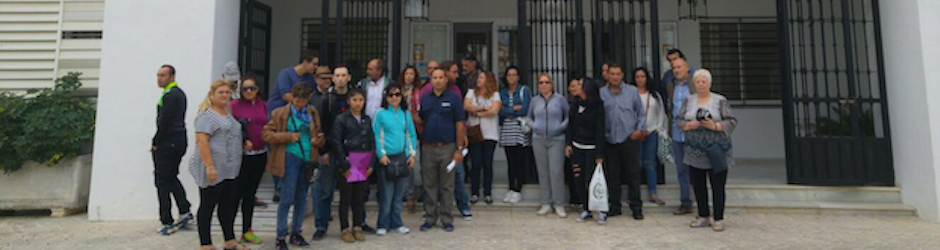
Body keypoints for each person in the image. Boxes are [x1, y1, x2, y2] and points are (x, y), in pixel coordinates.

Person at [190, 80, 250, 250]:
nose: (225, 95)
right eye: (221, 92)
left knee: (228, 205)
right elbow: (202, 141)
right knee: (208, 205)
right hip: (213, 168)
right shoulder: (206, 115)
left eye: (227, 92)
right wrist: (209, 166)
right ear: (212, 95)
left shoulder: (227, 113)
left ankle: (230, 241)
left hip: (230, 169)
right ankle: (206, 244)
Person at [263, 83, 325, 250]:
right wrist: (287, 136)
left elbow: (320, 134)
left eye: (303, 101)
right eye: (297, 100)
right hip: (289, 158)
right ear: (292, 97)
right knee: (286, 198)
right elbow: (266, 134)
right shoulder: (280, 113)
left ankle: (296, 232)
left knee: (302, 198)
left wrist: (318, 140)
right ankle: (281, 235)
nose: (299, 104)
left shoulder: (312, 112)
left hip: (308, 157)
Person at [678, 69, 737, 232]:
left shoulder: (720, 100)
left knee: (717, 185)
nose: (701, 84)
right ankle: (703, 215)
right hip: (694, 151)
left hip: (717, 150)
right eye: (698, 81)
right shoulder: (688, 100)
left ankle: (718, 218)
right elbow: (679, 121)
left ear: (710, 83)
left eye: (704, 81)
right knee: (698, 185)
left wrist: (715, 126)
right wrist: (689, 125)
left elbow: (731, 121)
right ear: (694, 84)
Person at [419, 61, 473, 220]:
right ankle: (430, 217)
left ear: (445, 79)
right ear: (431, 80)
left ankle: (446, 217)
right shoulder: (425, 98)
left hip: (448, 147)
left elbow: (459, 124)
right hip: (428, 146)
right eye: (434, 77)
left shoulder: (454, 98)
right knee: (429, 184)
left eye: (441, 77)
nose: (437, 80)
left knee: (447, 185)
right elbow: (422, 120)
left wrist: (459, 148)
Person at [311, 65, 355, 241]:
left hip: (353, 152)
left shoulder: (356, 96)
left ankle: (358, 223)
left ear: (349, 77)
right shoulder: (326, 99)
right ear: (334, 79)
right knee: (325, 191)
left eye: (344, 75)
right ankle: (321, 225)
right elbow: (321, 128)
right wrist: (323, 152)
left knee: (356, 191)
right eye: (338, 75)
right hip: (330, 151)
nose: (341, 78)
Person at [269, 50, 319, 203]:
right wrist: (300, 104)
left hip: (298, 120)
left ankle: (291, 187)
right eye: (314, 64)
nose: (315, 67)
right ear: (305, 62)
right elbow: (285, 94)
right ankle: (279, 189)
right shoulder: (286, 73)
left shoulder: (309, 79)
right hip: (281, 118)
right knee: (277, 153)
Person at [599, 64, 646, 220]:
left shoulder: (632, 92)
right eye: (612, 74)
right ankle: (615, 206)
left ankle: (636, 207)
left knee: (633, 174)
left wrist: (639, 130)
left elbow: (641, 113)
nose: (615, 77)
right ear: (608, 75)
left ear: (622, 75)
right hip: (610, 139)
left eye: (618, 74)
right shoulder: (602, 93)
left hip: (629, 139)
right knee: (613, 175)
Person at [151, 64, 194, 235]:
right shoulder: (177, 93)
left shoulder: (171, 95)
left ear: (172, 77)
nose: (159, 78)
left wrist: (156, 141)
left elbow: (165, 121)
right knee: (170, 177)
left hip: (168, 143)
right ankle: (184, 210)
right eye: (158, 75)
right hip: (178, 141)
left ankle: (166, 220)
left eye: (163, 75)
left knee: (162, 181)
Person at [374, 84, 419, 236]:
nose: (394, 98)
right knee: (387, 194)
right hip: (387, 158)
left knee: (399, 194)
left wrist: (412, 154)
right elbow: (376, 135)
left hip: (402, 157)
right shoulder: (380, 114)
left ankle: (397, 222)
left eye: (397, 94)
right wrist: (381, 154)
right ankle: (383, 223)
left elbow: (411, 135)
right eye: (391, 95)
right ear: (385, 97)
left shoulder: (405, 114)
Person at [330, 89, 374, 243]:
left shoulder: (366, 119)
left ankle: (357, 226)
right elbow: (336, 142)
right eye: (354, 100)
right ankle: (345, 228)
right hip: (348, 160)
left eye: (361, 100)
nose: (358, 103)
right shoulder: (341, 119)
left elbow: (371, 141)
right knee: (346, 197)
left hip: (362, 160)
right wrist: (343, 164)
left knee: (359, 197)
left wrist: (371, 163)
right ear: (349, 101)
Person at [230, 75, 269, 245]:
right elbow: (229, 130)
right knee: (235, 195)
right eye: (245, 88)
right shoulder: (234, 106)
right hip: (242, 157)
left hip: (260, 154)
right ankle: (229, 234)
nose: (248, 91)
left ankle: (247, 230)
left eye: (252, 88)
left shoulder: (263, 105)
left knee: (250, 195)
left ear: (257, 89)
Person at [527, 73, 570, 218]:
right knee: (543, 172)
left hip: (557, 139)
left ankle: (559, 203)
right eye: (541, 82)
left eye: (546, 82)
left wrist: (561, 127)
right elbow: (528, 117)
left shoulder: (560, 99)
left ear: (552, 84)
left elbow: (569, 116)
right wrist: (533, 125)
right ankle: (546, 202)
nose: (544, 85)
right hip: (538, 138)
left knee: (556, 172)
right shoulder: (534, 101)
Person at [565, 77, 607, 224]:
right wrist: (568, 143)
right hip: (577, 147)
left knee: (592, 180)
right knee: (579, 179)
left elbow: (600, 130)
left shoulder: (597, 106)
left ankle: (601, 210)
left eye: (581, 85)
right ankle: (586, 208)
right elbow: (570, 124)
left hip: (591, 148)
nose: (577, 87)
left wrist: (599, 153)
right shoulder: (575, 103)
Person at [631, 67, 668, 206]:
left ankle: (653, 193)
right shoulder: (631, 94)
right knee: (636, 164)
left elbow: (661, 113)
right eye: (637, 77)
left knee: (650, 163)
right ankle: (635, 194)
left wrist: (656, 128)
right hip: (636, 134)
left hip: (651, 133)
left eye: (642, 76)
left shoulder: (654, 95)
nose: (640, 79)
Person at [667, 56, 698, 215]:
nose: (677, 70)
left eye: (679, 67)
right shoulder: (671, 86)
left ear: (687, 69)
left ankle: (702, 203)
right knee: (681, 170)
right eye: (674, 68)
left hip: (694, 133)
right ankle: (685, 202)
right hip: (677, 134)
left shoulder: (694, 85)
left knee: (698, 169)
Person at [465, 71, 502, 204]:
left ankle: (487, 192)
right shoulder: (471, 92)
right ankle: (475, 192)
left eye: (481, 77)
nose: (478, 80)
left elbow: (494, 111)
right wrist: (483, 107)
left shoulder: (495, 94)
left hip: (490, 133)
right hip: (475, 132)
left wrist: (478, 113)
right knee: (475, 163)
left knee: (487, 163)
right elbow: (467, 106)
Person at [498, 66, 531, 204]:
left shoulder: (524, 90)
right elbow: (500, 111)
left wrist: (508, 111)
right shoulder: (502, 93)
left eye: (514, 75)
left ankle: (518, 189)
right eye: (509, 75)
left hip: (519, 129)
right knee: (510, 162)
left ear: (518, 77)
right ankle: (511, 188)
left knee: (520, 161)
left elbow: (525, 109)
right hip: (507, 131)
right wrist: (513, 108)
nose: (511, 77)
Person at [398, 66, 424, 213]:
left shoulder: (418, 92)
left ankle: (410, 196)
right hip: (396, 130)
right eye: (406, 73)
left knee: (411, 164)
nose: (408, 77)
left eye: (411, 74)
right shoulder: (396, 91)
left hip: (413, 130)